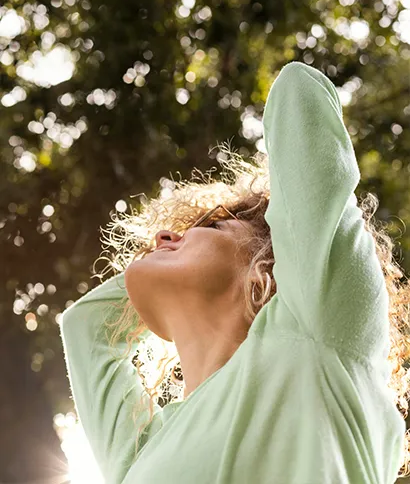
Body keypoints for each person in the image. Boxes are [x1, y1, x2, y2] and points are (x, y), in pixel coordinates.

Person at [60, 62, 407, 484]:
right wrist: (155, 270)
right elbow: (86, 327)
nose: (166, 235)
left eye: (209, 225)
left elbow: (298, 92)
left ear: (270, 259)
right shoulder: (143, 453)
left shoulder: (314, 330)